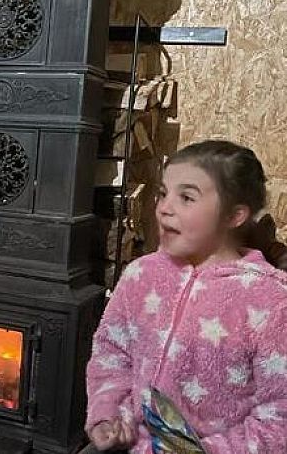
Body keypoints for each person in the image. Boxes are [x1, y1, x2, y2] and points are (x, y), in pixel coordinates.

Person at [85, 140, 287, 453]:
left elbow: (278, 418)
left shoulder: (271, 302)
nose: (165, 207)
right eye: (163, 193)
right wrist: (108, 416)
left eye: (186, 197)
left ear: (235, 215)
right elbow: (111, 353)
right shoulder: (141, 274)